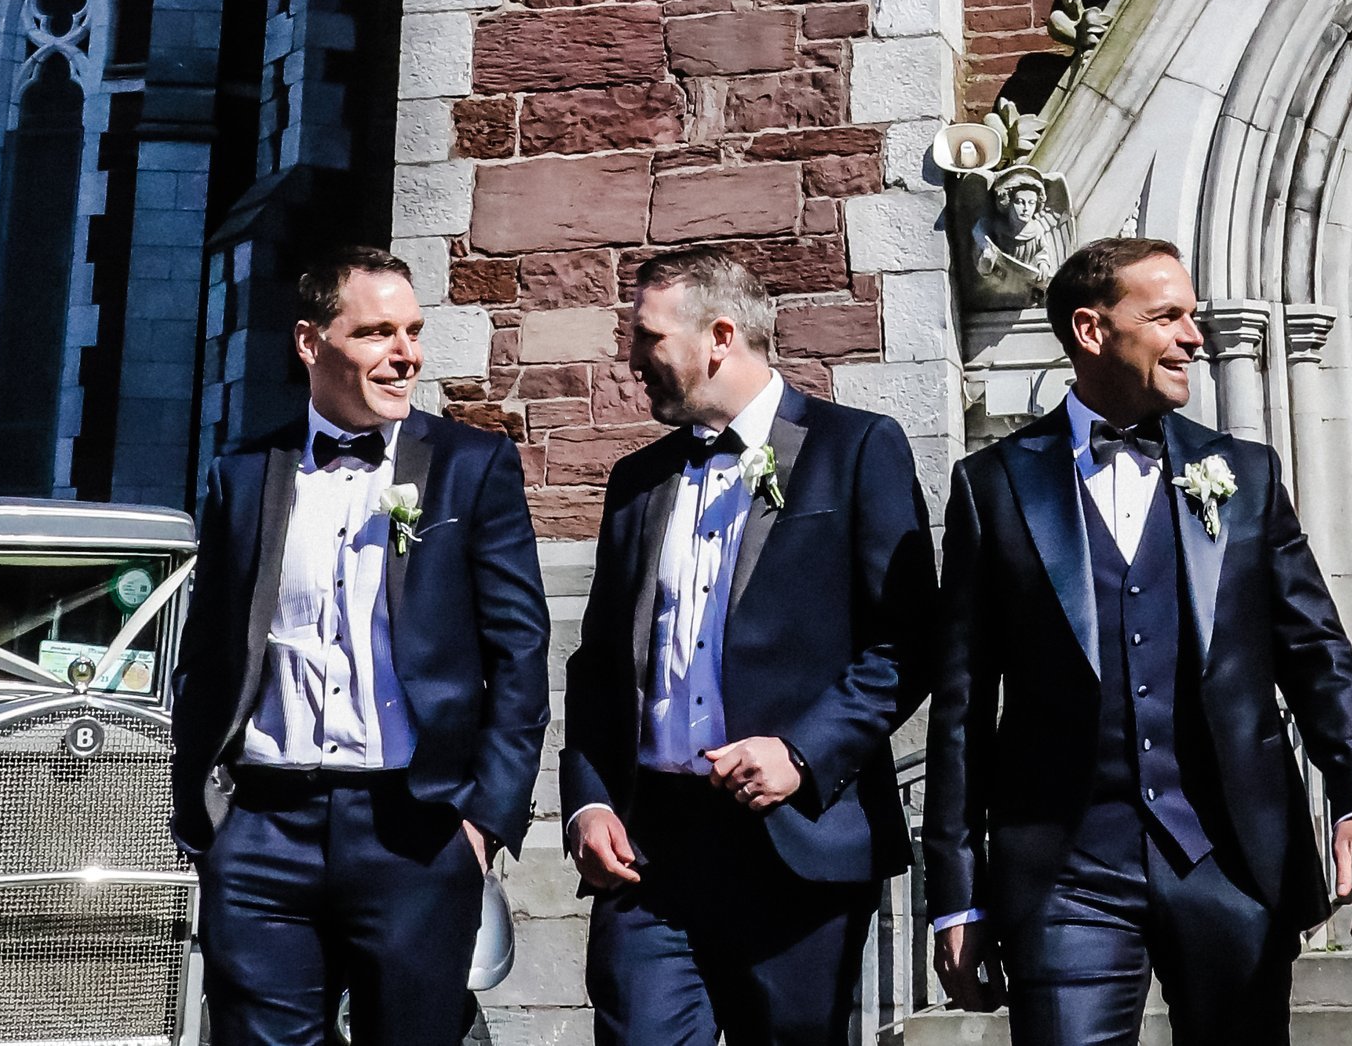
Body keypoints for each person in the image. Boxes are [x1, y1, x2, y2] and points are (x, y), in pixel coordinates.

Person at [924, 235, 1352, 1046]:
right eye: (1169, 316)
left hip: (1227, 855)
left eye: (1194, 316)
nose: (1195, 337)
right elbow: (962, 706)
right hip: (1067, 871)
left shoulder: (1243, 474)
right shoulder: (994, 485)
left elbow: (1316, 654)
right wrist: (958, 893)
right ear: (1091, 329)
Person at [171, 245, 551, 1046]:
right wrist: (206, 821)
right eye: (378, 332)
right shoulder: (243, 473)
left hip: (414, 829)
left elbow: (519, 652)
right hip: (265, 827)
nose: (405, 353)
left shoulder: (471, 466)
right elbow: (208, 655)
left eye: (412, 330)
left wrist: (483, 821)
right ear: (312, 343)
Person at [561, 245, 938, 1046]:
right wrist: (589, 802)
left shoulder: (858, 448)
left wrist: (801, 752)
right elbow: (599, 667)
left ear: (719, 336)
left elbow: (907, 642)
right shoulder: (636, 481)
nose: (630, 362)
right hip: (651, 851)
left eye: (647, 339)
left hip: (796, 845)